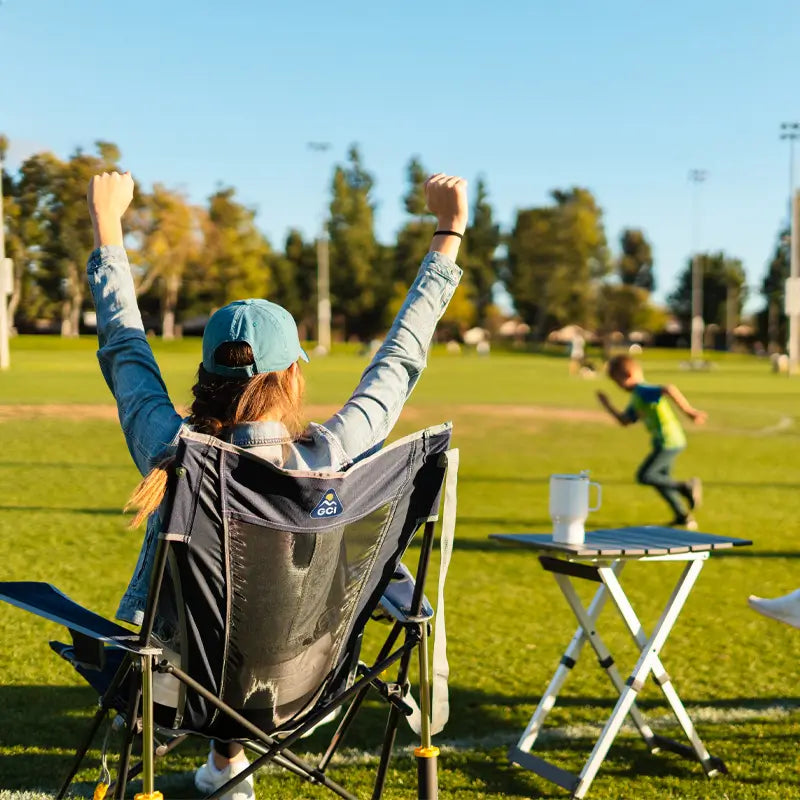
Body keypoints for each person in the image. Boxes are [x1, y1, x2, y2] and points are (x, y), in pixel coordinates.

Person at [85, 169, 468, 800]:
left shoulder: (175, 450)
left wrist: (107, 225)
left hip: (176, 695)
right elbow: (399, 361)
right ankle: (229, 764)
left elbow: (124, 349)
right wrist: (447, 234)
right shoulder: (333, 453)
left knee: (207, 610)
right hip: (304, 689)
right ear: (291, 376)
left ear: (206, 372)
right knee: (256, 610)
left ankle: (222, 760)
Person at [596, 355, 706, 528]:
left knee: (646, 476)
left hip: (669, 441)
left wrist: (689, 412)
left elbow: (669, 388)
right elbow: (625, 421)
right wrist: (607, 405)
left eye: (617, 382)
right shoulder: (637, 397)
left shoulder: (643, 391)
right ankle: (683, 516)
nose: (618, 387)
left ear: (628, 374)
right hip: (663, 441)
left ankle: (686, 486)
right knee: (661, 480)